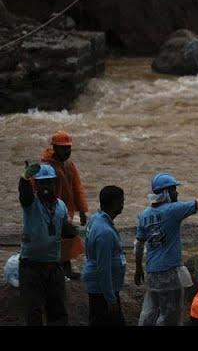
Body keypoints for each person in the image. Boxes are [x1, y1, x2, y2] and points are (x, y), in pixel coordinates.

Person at [135, 171, 198, 326]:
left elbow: (138, 245)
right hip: (170, 272)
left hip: (152, 271)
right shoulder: (172, 210)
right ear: (165, 192)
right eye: (173, 189)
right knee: (170, 316)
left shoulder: (144, 214)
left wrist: (138, 268)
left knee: (150, 312)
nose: (176, 192)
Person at [18, 162, 79, 326]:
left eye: (49, 182)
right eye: (41, 183)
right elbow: (25, 195)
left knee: (58, 313)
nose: (46, 186)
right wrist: (24, 179)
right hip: (31, 268)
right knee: (34, 313)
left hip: (54, 268)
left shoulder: (61, 206)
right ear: (35, 185)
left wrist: (78, 231)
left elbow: (65, 229)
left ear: (55, 183)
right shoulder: (31, 204)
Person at [41, 130, 88, 280]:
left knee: (66, 240)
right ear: (54, 148)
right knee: (53, 240)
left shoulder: (69, 165)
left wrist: (82, 210)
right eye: (63, 148)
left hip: (66, 210)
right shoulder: (47, 167)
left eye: (68, 148)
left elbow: (77, 187)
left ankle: (65, 270)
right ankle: (57, 271)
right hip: (50, 211)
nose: (67, 151)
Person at [82, 186, 126, 326]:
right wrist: (110, 297)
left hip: (99, 286)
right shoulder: (104, 232)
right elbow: (103, 268)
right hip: (103, 289)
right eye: (121, 201)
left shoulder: (95, 219)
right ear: (113, 203)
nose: (123, 205)